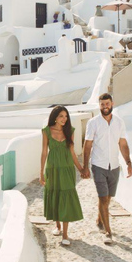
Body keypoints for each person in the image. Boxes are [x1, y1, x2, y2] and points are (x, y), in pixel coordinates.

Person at [83, 93, 132, 245]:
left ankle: (100, 218)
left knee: (108, 197)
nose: (105, 106)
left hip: (114, 165)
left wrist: (128, 162)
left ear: (112, 104)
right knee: (103, 197)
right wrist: (85, 166)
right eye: (102, 104)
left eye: (107, 103)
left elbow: (122, 143)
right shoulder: (93, 123)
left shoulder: (119, 122)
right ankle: (108, 231)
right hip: (98, 164)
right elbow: (88, 145)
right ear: (99, 106)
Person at [39, 105, 86, 246]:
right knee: (55, 195)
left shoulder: (70, 131)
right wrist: (41, 172)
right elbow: (44, 152)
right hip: (52, 169)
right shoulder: (46, 131)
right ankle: (57, 225)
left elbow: (72, 152)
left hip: (66, 169)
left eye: (66, 116)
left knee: (66, 196)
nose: (64, 119)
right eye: (61, 116)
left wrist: (81, 169)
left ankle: (65, 234)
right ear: (55, 117)